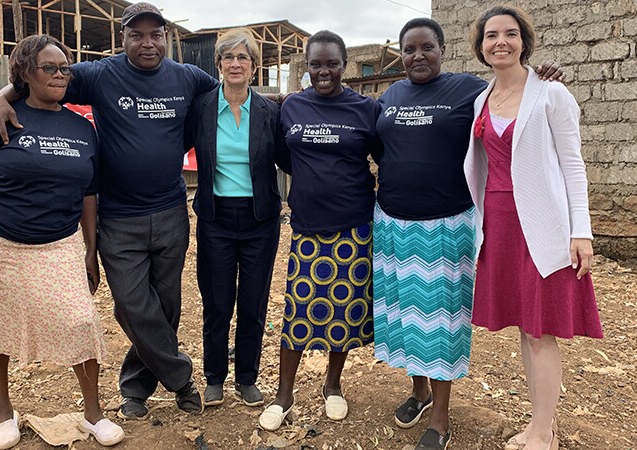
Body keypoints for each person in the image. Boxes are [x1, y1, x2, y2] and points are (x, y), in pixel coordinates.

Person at [0, 2, 220, 419]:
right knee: (130, 304)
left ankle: (135, 388)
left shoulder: (188, 77)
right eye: (136, 34)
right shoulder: (101, 74)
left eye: (155, 34)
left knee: (165, 304)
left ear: (166, 37)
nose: (147, 42)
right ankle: (180, 377)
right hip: (118, 215)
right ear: (121, 38)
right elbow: (39, 79)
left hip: (169, 210)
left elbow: (225, 98)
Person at [373, 17, 563, 450]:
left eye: (427, 48)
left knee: (440, 321)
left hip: (446, 224)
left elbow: (515, 92)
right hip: (392, 223)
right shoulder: (391, 95)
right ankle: (419, 392)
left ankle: (440, 416)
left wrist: (543, 76)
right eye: (409, 49)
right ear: (400, 54)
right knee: (404, 316)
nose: (417, 56)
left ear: (443, 50)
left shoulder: (469, 91)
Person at [0, 35, 124, 449]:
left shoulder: (81, 127)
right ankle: (4, 412)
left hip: (59, 244)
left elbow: (89, 196)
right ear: (24, 72)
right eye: (50, 68)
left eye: (65, 68)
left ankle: (93, 412)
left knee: (80, 321)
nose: (61, 75)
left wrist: (90, 252)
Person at [465, 6, 603, 450]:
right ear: (481, 46)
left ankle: (543, 431)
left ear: (524, 40)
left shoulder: (552, 94)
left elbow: (573, 165)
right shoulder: (480, 100)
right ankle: (537, 422)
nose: (500, 42)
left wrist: (581, 231)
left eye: (509, 34)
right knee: (526, 327)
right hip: (499, 224)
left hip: (541, 224)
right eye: (491, 36)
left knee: (541, 329)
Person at [258, 30, 382, 431]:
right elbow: (284, 156)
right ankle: (284, 393)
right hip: (308, 228)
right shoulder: (292, 106)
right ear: (307, 66)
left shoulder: (365, 110)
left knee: (343, 312)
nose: (323, 71)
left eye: (331, 63)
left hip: (354, 226)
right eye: (315, 64)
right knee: (297, 314)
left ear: (343, 65)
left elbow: (383, 155)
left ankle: (332, 385)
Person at [185, 28, 290, 408]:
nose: (234, 64)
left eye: (242, 58)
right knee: (216, 302)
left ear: (254, 66)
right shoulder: (200, 109)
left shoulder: (269, 111)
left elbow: (288, 159)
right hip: (215, 218)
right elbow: (171, 146)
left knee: (253, 303)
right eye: (228, 58)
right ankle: (214, 377)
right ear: (218, 64)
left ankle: (247, 377)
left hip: (260, 220)